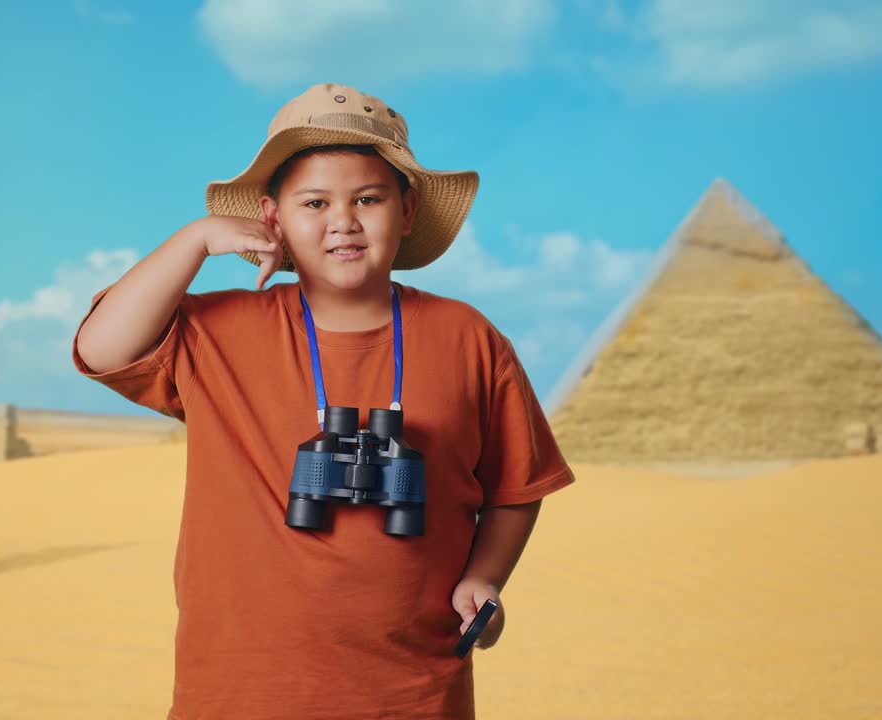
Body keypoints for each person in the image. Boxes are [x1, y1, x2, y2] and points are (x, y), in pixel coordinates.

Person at [72, 83, 575, 720]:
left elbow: (515, 484)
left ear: (408, 211)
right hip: (241, 690)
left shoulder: (468, 337)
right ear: (271, 218)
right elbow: (101, 348)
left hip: (413, 691)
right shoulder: (219, 332)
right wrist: (194, 240)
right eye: (314, 202)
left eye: (369, 198)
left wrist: (485, 576)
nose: (344, 220)